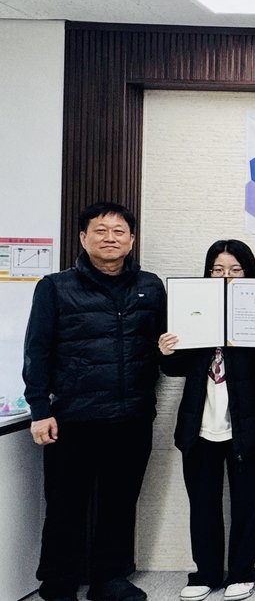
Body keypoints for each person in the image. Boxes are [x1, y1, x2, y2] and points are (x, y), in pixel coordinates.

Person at [23, 201, 166, 601]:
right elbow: (37, 351)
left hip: (132, 415)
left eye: (119, 231)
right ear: (83, 238)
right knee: (65, 506)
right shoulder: (55, 287)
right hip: (73, 417)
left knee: (120, 503)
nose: (110, 238)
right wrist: (40, 410)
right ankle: (58, 584)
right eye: (100, 231)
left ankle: (109, 579)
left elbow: (160, 344)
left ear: (131, 240)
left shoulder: (151, 286)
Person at [157, 240, 255, 601]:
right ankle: (206, 573)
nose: (226, 276)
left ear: (248, 273)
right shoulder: (190, 311)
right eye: (218, 270)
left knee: (248, 504)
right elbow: (174, 368)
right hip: (199, 425)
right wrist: (166, 351)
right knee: (202, 504)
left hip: (249, 427)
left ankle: (243, 572)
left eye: (235, 270)